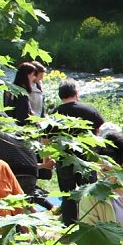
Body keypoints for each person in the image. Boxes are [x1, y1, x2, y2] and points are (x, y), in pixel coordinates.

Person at [51, 79, 105, 225]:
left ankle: (69, 227)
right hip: (86, 159)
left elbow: (46, 140)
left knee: (67, 196)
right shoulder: (88, 109)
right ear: (76, 93)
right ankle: (91, 223)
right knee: (89, 193)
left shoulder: (54, 113)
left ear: (60, 95)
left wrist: (48, 160)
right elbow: (101, 132)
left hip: (64, 159)